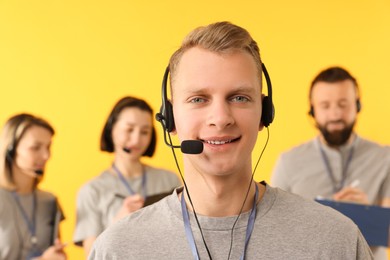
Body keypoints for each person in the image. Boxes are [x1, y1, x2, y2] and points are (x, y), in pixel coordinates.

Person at [89, 22, 372, 259]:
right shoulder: (117, 249)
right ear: (170, 118)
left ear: (265, 113)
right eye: (198, 99)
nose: (221, 118)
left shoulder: (337, 240)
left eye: (239, 98)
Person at [271, 66, 390, 259]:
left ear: (357, 105)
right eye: (325, 106)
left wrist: (367, 214)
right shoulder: (288, 162)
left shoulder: (385, 158)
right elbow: (273, 231)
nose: (335, 115)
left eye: (343, 104)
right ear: (312, 111)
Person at [73, 96, 182, 256]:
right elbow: (92, 255)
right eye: (129, 129)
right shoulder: (91, 191)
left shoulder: (169, 180)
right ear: (111, 128)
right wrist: (116, 225)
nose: (137, 139)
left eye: (145, 132)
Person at [0, 113, 66, 260]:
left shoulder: (50, 201)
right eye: (35, 147)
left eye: (48, 147)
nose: (46, 155)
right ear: (10, 149)